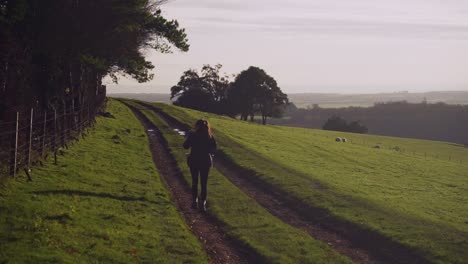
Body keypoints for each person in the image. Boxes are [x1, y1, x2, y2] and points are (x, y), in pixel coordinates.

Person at [183, 119, 217, 212]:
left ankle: (194, 201)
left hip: (194, 160)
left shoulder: (192, 135)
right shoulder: (210, 136)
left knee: (194, 181)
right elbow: (214, 149)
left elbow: (185, 146)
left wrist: (189, 137)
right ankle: (203, 203)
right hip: (205, 161)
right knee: (204, 183)